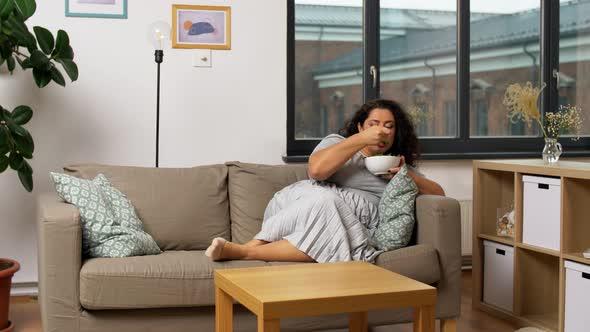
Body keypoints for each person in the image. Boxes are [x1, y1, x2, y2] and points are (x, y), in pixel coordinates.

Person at [205, 99, 444, 263]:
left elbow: (439, 194)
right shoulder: (338, 143)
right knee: (322, 195)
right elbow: (317, 171)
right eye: (374, 124)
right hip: (299, 206)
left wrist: (403, 174)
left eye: (389, 126)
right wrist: (360, 140)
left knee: (327, 200)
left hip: (350, 217)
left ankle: (246, 251)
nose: (382, 131)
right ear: (360, 126)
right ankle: (250, 249)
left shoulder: (398, 164)